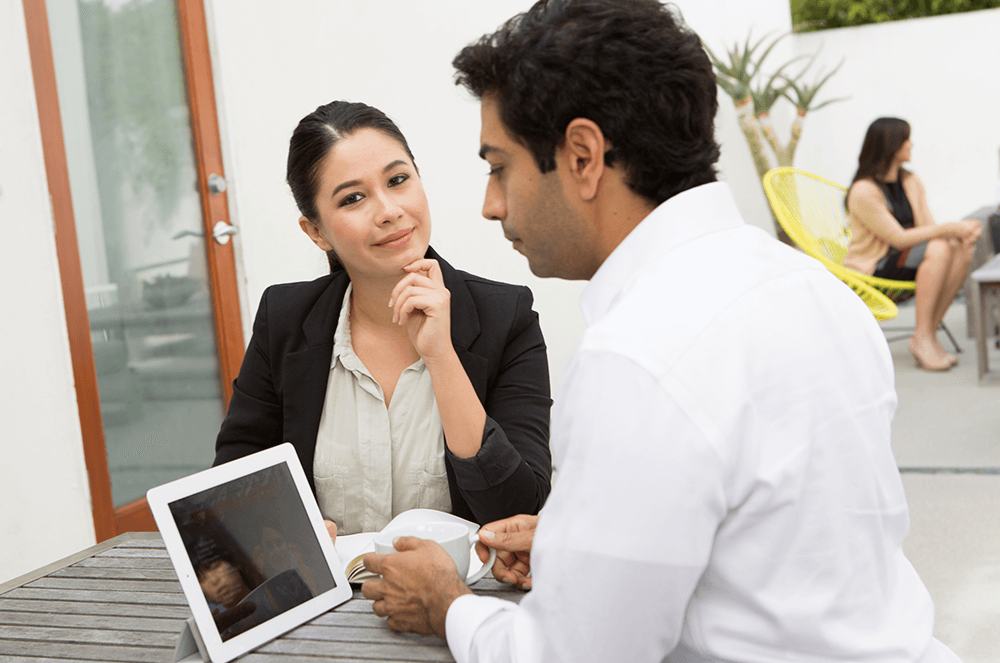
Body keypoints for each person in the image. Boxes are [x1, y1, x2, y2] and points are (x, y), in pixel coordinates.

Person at [360, 2, 960, 661]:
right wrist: (583, 549)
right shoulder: (809, 286)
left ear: (583, 156)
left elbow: (575, 655)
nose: (489, 203)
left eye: (499, 166)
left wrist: (450, 607)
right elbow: (782, 545)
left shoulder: (638, 354)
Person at [213, 101, 553, 538]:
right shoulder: (285, 319)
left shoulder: (506, 318)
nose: (389, 210)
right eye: (353, 198)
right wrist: (289, 528)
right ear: (316, 232)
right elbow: (235, 480)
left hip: (459, 600)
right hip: (332, 599)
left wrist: (442, 357)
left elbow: (516, 510)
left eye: (398, 180)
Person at [843, 117, 982, 371]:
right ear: (890, 145)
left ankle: (925, 335)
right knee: (940, 247)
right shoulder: (863, 191)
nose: (911, 144)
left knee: (961, 247)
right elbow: (897, 239)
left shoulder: (910, 181)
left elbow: (929, 227)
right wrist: (951, 227)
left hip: (911, 258)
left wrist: (961, 234)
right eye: (905, 139)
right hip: (876, 266)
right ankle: (924, 337)